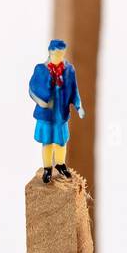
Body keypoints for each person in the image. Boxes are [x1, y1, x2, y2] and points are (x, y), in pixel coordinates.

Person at [28, 39, 85, 183]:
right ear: (50, 51)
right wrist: (41, 100)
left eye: (61, 53)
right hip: (46, 114)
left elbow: (73, 90)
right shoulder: (40, 69)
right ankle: (47, 169)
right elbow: (33, 87)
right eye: (56, 52)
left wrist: (78, 106)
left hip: (61, 114)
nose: (59, 56)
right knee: (47, 142)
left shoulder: (69, 70)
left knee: (61, 142)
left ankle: (60, 164)